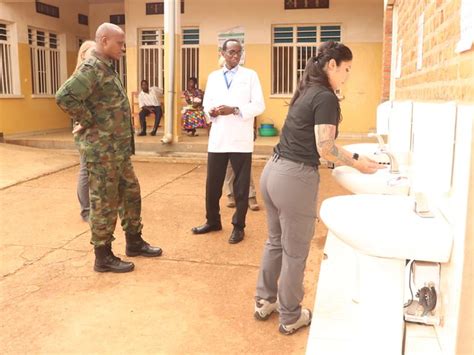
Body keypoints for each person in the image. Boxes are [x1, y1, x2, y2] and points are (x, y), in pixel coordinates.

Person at [254, 41, 382, 334]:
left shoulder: (307, 89)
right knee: (295, 251)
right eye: (346, 68)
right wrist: (358, 161)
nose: (347, 75)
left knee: (275, 241)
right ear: (332, 65)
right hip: (294, 178)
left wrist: (342, 159)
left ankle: (264, 300)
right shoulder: (325, 97)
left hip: (273, 171)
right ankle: (290, 316)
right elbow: (325, 148)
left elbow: (309, 140)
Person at [56, 23, 163, 273]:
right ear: (104, 41)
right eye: (119, 43)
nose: (123, 48)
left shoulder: (106, 67)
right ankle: (102, 255)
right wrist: (87, 118)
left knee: (131, 193)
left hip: (117, 150)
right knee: (104, 201)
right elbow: (64, 96)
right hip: (102, 150)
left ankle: (134, 241)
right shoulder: (91, 68)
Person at [191, 39, 265, 244]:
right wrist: (212, 112)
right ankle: (213, 221)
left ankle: (238, 226)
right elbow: (207, 104)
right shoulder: (214, 77)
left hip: (241, 138)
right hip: (219, 137)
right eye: (231, 52)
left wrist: (234, 110)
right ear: (222, 53)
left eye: (239, 52)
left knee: (241, 186)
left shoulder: (250, 76)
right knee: (212, 184)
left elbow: (259, 105)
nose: (236, 55)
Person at [73, 40, 95, 222]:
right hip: (86, 129)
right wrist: (83, 121)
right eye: (91, 52)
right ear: (83, 54)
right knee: (85, 169)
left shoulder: (91, 74)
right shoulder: (81, 76)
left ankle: (93, 208)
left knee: (93, 169)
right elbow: (68, 100)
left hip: (96, 129)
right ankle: (86, 211)